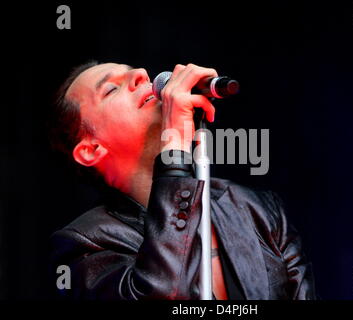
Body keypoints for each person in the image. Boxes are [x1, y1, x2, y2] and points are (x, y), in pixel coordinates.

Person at [49, 61, 316, 300]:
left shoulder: (256, 207)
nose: (142, 74)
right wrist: (174, 144)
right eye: (111, 89)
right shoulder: (83, 245)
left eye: (134, 72)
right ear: (91, 150)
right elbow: (161, 293)